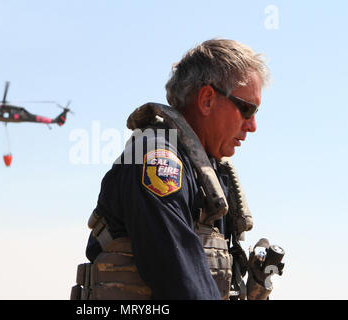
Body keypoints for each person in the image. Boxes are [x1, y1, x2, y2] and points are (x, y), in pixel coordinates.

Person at [71, 39, 281, 300]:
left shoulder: (207, 175)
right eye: (246, 109)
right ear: (206, 100)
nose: (252, 126)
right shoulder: (158, 163)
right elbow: (184, 287)